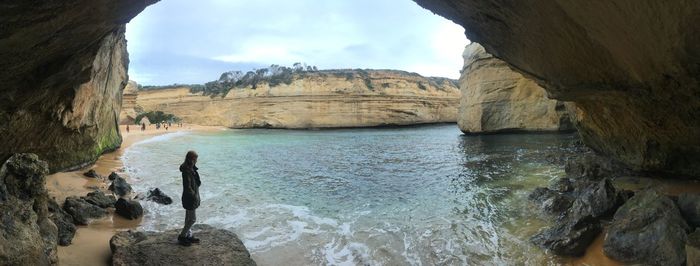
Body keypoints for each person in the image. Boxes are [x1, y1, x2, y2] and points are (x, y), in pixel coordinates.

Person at [178, 151, 201, 246]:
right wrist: (194, 196)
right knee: (192, 219)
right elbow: (188, 187)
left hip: (189, 197)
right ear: (191, 159)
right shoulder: (187, 171)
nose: (196, 161)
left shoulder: (191, 169)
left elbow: (196, 183)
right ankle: (182, 236)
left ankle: (188, 234)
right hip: (190, 198)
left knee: (188, 218)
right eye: (195, 159)